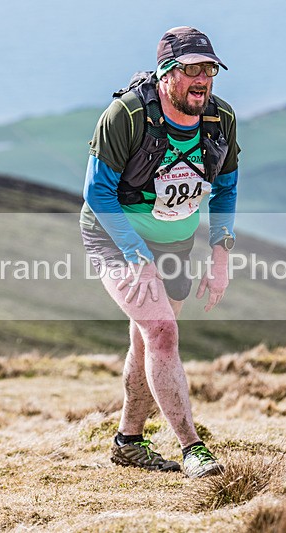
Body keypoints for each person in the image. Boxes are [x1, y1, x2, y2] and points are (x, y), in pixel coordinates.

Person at [79, 26, 239, 478]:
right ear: (166, 72)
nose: (202, 79)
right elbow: (98, 193)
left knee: (146, 338)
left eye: (208, 69)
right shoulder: (126, 116)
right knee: (163, 332)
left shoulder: (220, 119)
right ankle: (193, 448)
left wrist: (221, 253)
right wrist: (134, 253)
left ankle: (129, 443)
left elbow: (226, 188)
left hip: (175, 240)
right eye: (190, 69)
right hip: (115, 236)